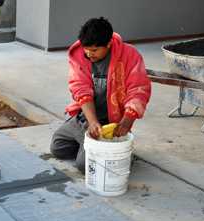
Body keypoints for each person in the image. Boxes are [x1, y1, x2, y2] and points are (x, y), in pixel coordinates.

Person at [50, 17, 151, 173]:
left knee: (84, 167)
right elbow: (81, 89)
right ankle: (91, 144)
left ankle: (113, 150)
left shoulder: (130, 55)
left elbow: (138, 91)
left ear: (108, 44)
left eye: (94, 50)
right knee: (58, 148)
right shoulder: (78, 55)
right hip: (86, 117)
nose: (89, 54)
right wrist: (92, 122)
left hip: (112, 122)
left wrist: (125, 123)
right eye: (86, 48)